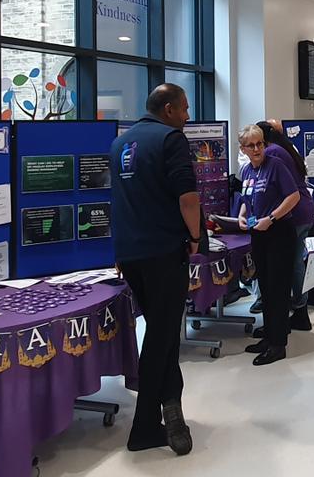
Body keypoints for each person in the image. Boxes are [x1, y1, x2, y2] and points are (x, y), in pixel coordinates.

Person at [110, 84, 202, 455]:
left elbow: (119, 200)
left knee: (163, 335)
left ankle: (172, 411)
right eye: (183, 109)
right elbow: (188, 198)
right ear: (167, 109)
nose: (187, 116)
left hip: (131, 255)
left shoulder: (120, 143)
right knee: (162, 339)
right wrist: (195, 237)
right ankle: (145, 425)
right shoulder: (171, 139)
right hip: (165, 252)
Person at [237, 124, 302, 366]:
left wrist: (272, 218)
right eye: (251, 145)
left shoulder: (275, 166)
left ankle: (278, 344)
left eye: (260, 144)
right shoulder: (247, 171)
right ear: (242, 148)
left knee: (278, 288)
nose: (256, 149)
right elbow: (247, 199)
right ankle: (269, 335)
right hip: (259, 234)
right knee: (265, 286)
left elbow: (293, 196)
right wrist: (243, 214)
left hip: (279, 232)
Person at [258, 120, 314, 332]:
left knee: (288, 267)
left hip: (293, 213)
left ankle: (296, 312)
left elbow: (270, 185)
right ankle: (300, 311)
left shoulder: (272, 153)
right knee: (295, 264)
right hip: (303, 209)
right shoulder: (286, 147)